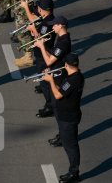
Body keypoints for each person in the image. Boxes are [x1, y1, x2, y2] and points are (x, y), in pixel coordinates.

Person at [44, 47, 84, 183]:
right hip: (70, 114)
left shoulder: (72, 80)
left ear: (67, 65)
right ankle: (74, 170)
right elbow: (62, 87)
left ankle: (74, 172)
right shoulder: (77, 76)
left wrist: (50, 81)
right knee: (69, 143)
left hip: (68, 117)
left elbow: (58, 94)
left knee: (70, 146)